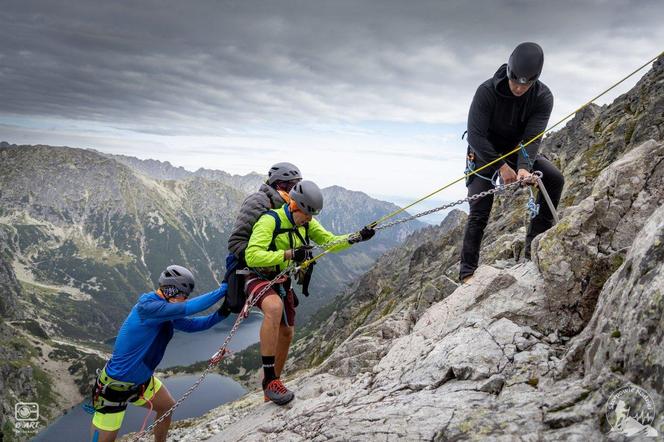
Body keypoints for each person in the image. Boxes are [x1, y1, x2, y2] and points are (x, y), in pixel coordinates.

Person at [244, 180, 375, 405]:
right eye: (307, 213)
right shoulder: (270, 221)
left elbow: (330, 242)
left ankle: (274, 383)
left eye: (313, 214)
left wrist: (356, 237)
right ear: (294, 205)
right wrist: (288, 254)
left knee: (287, 333)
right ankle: (269, 381)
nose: (310, 219)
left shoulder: (306, 224)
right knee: (273, 308)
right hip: (257, 275)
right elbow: (252, 256)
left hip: (281, 279)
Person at [460, 42, 565, 283]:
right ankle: (467, 273)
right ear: (508, 72)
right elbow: (476, 135)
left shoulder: (542, 97)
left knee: (554, 179)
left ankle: (533, 249)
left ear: (534, 80)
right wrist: (502, 167)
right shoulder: (486, 91)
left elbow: (532, 138)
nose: (519, 88)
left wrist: (523, 168)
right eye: (515, 81)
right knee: (479, 207)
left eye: (525, 84)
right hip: (484, 150)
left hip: (518, 150)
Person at [90, 265, 228, 442]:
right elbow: (190, 308)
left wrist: (225, 311)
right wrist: (224, 289)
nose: (184, 299)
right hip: (116, 386)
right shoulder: (148, 308)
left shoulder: (165, 312)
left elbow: (194, 325)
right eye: (182, 295)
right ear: (171, 290)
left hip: (141, 382)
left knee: (167, 406)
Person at [222, 162, 303, 313]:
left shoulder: (291, 207)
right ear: (280, 184)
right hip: (255, 270)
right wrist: (264, 259)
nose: (296, 191)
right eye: (293, 186)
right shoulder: (258, 202)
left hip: (278, 271)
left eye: (299, 185)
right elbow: (236, 242)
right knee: (275, 309)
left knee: (286, 324)